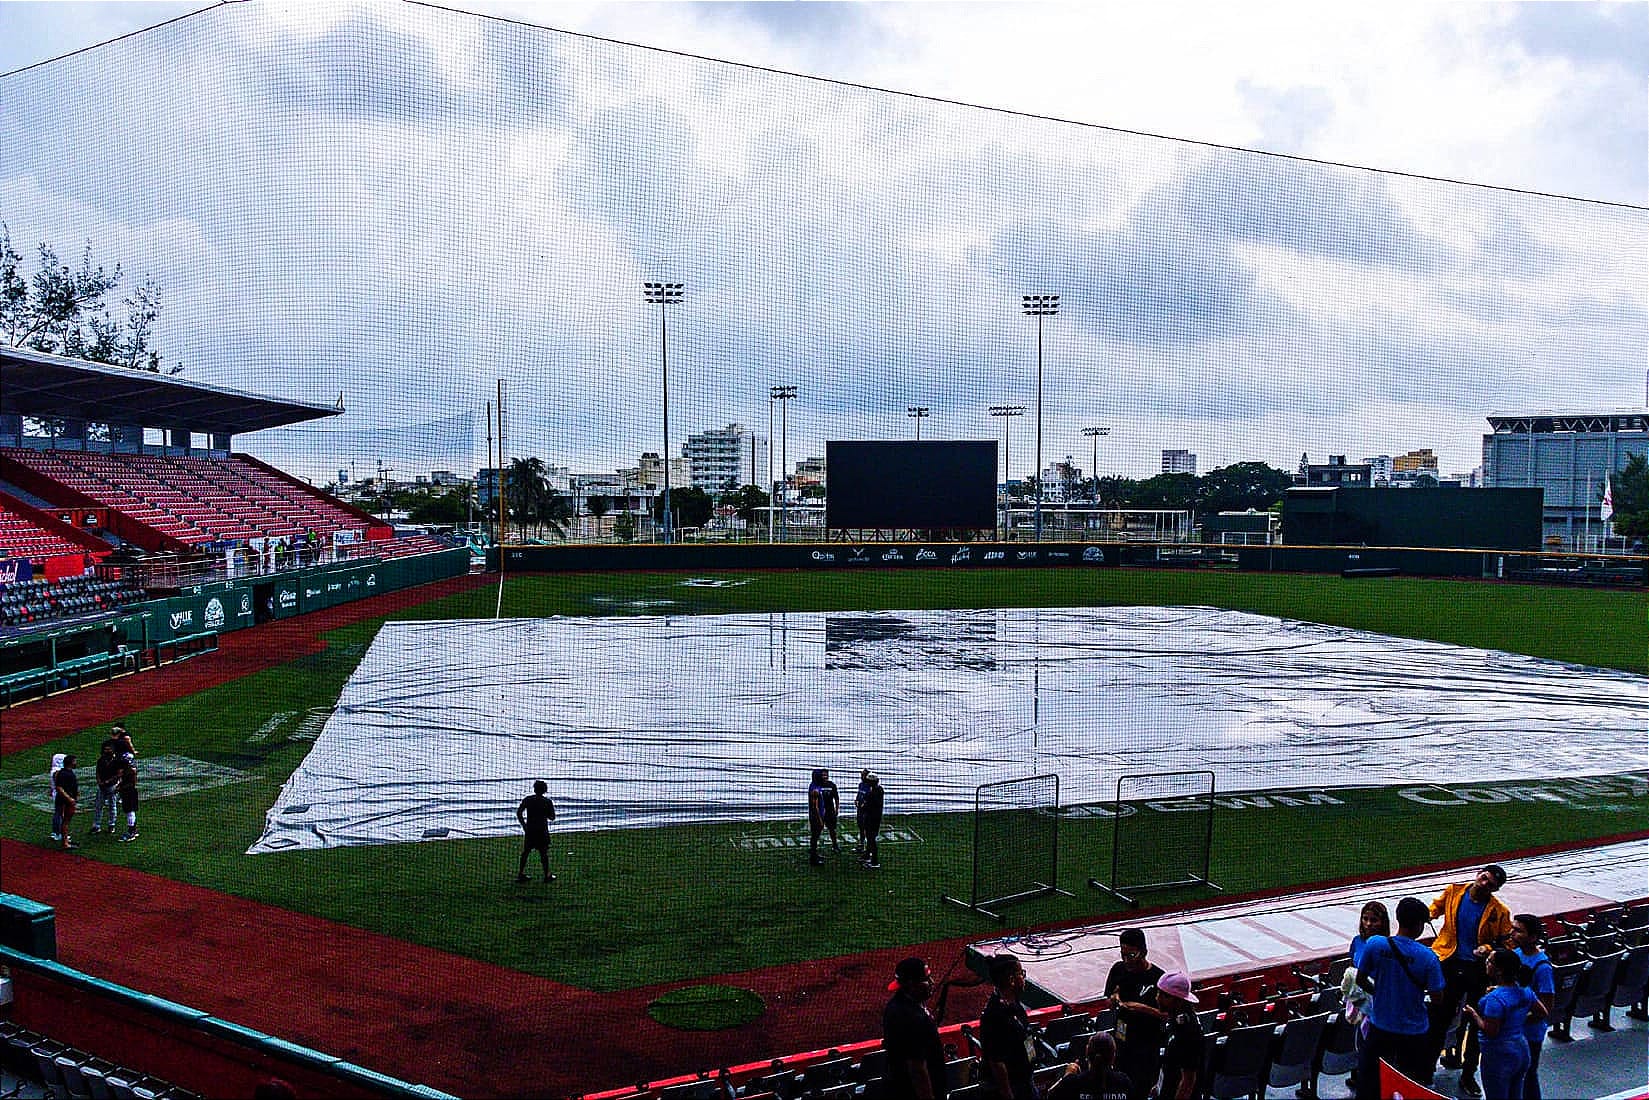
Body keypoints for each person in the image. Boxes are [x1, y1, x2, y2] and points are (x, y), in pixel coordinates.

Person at [1427, 864, 1514, 1094]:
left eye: (1491, 884)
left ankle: (1468, 1074)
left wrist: (1487, 948)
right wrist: (1428, 913)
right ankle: (1427, 1069)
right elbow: (1435, 908)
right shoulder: (1454, 891)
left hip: (1478, 971)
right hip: (1449, 963)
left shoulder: (1499, 911)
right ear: (1478, 875)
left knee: (1475, 1024)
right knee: (1439, 1019)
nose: (1485, 884)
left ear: (1495, 889)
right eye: (1484, 878)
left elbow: (1507, 942)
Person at [1356, 896, 1445, 1100]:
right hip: (1413, 1032)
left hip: (1380, 1027)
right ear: (1420, 925)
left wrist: (1379, 994)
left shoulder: (1375, 944)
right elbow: (1438, 998)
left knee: (1369, 1083)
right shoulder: (1428, 957)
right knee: (1409, 1086)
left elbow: (1361, 979)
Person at [1462, 949, 1540, 1100]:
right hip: (1521, 1049)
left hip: (1499, 1055)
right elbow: (1541, 1012)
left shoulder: (1495, 999)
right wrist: (1516, 1021)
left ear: (1499, 971)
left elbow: (1490, 1031)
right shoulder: (1525, 991)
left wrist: (1474, 1015)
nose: (1486, 962)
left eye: (1490, 961)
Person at [1103, 929, 1166, 1100]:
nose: (1126, 960)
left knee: (1141, 1089)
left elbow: (1166, 1015)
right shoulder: (1118, 969)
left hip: (1147, 1045)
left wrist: (1140, 1008)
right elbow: (1108, 1002)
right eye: (1123, 954)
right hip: (1122, 1042)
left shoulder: (1158, 978)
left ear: (1144, 952)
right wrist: (1114, 999)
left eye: (1131, 955)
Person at [883, 956, 947, 1100]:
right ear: (912, 984)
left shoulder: (900, 1004)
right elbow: (917, 1068)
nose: (932, 982)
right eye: (926, 979)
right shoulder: (910, 1017)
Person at [1508, 915, 1555, 1100]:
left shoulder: (1542, 967)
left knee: (1528, 1074)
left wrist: (1518, 1019)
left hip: (1530, 1032)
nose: (1512, 933)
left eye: (1518, 930)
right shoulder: (1517, 955)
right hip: (1515, 1030)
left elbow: (1546, 1006)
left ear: (1533, 937)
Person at [980, 953, 1036, 1100]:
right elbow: (996, 1062)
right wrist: (1008, 1094)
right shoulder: (994, 1015)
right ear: (1011, 980)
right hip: (1014, 1087)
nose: (1024, 978)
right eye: (1021, 974)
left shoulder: (1014, 1004)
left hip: (1025, 1079)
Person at [1155, 971, 1203, 1100]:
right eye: (1158, 993)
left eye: (1164, 995)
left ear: (1179, 1000)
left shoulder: (1188, 1031)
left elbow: (1188, 1081)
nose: (1157, 998)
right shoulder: (1175, 1019)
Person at [1046, 1032, 1130, 1100]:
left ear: (1087, 1053)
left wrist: (1066, 1077)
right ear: (1113, 1057)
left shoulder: (1072, 1082)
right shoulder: (1124, 1082)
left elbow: (1049, 1096)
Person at [515, 780, 557, 883]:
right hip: (542, 831)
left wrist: (524, 826)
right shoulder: (547, 802)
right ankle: (547, 875)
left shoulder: (528, 800)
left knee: (526, 852)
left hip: (530, 830)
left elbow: (519, 813)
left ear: (534, 789)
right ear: (545, 790)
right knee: (543, 853)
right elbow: (552, 817)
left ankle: (521, 874)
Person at [808, 768, 841, 865]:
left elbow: (836, 797)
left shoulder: (831, 785)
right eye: (822, 775)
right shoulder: (816, 787)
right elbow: (816, 806)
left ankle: (834, 845)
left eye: (826, 775)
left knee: (831, 829)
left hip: (829, 811)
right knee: (816, 834)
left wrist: (836, 808)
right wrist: (820, 819)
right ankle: (813, 855)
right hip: (820, 814)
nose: (824, 777)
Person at [91, 739, 121, 835]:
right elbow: (97, 772)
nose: (107, 751)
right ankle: (96, 826)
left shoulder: (117, 761)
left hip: (112, 786)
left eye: (109, 749)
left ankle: (111, 824)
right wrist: (99, 782)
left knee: (112, 806)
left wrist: (109, 781)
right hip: (102, 787)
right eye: (105, 749)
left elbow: (119, 774)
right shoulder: (101, 760)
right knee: (98, 806)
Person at [859, 772, 885, 869]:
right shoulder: (878, 790)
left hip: (872, 818)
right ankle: (867, 855)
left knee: (871, 839)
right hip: (873, 817)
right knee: (870, 837)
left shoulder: (874, 792)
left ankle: (874, 861)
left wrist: (863, 806)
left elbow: (868, 804)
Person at [53, 754, 79, 850]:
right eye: (75, 761)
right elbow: (59, 787)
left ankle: (66, 840)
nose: (76, 763)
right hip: (65, 801)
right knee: (66, 821)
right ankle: (65, 842)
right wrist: (70, 799)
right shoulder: (66, 774)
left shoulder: (63, 772)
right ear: (71, 763)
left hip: (65, 800)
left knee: (66, 821)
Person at [116, 752, 139, 841]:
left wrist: (120, 788)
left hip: (129, 792)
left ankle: (131, 832)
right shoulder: (128, 769)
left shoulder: (130, 770)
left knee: (130, 811)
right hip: (128, 792)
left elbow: (132, 783)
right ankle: (133, 830)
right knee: (130, 811)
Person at [48, 753, 66, 842]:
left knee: (58, 813)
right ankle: (59, 833)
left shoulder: (54, 770)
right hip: (60, 795)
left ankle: (56, 832)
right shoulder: (58, 772)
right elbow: (59, 784)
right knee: (60, 814)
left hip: (57, 794)